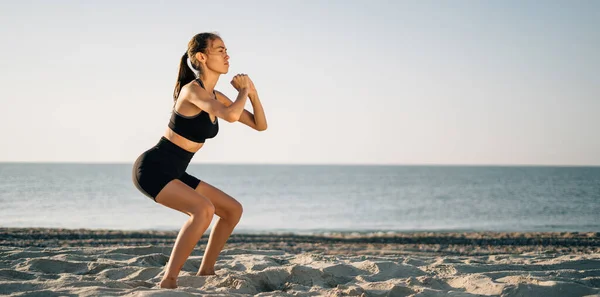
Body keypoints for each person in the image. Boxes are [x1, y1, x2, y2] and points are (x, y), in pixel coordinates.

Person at [131, 32, 267, 289]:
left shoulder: (216, 96)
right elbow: (229, 116)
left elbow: (260, 125)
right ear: (202, 57)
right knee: (203, 210)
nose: (227, 55)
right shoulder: (192, 91)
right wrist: (242, 92)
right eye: (220, 50)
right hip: (153, 169)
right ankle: (169, 280)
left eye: (227, 50)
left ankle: (206, 271)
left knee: (232, 210)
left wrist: (253, 93)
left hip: (175, 172)